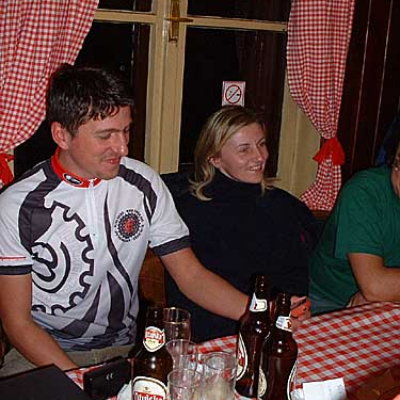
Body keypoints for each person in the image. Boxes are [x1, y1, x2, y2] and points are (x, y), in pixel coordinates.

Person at [0, 64, 248, 377]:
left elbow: (191, 276)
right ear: (62, 135)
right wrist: (82, 380)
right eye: (105, 135)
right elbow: (17, 323)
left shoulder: (143, 183)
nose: (122, 147)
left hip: (126, 349)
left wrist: (256, 312)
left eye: (126, 130)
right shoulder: (17, 205)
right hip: (43, 352)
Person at [165, 106, 317, 342]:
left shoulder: (284, 205)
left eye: (261, 144)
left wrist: (296, 306)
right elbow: (192, 287)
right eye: (244, 149)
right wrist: (263, 316)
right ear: (214, 158)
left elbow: (294, 274)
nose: (260, 157)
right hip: (215, 333)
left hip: (276, 325)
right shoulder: (190, 209)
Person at [309, 113, 400, 314]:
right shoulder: (364, 192)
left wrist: (389, 292)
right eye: (398, 164)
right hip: (330, 302)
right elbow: (375, 286)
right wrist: (382, 291)